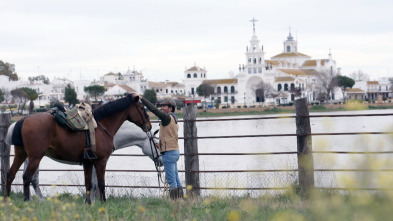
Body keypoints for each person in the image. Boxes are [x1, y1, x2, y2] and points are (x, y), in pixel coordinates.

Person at [133, 94, 183, 200]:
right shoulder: (174, 119)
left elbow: (154, 110)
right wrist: (159, 145)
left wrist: (142, 99)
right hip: (174, 151)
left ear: (171, 108)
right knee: (176, 177)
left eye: (165, 105)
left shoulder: (167, 118)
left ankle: (175, 203)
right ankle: (181, 200)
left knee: (171, 180)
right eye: (163, 105)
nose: (162, 107)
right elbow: (169, 136)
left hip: (169, 153)